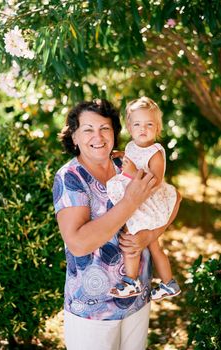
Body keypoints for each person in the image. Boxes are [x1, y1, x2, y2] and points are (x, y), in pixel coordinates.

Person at [52, 99, 181, 350]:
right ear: (74, 136)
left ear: (115, 133)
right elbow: (78, 244)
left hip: (137, 300)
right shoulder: (70, 177)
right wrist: (130, 202)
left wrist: (150, 235)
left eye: (105, 128)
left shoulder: (127, 164)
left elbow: (173, 200)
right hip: (93, 310)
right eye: (88, 129)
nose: (97, 136)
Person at [107, 96, 181, 301]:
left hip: (150, 201)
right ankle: (169, 283)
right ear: (129, 127)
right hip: (138, 196)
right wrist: (122, 154)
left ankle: (132, 281)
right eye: (137, 124)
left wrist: (131, 173)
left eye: (149, 124)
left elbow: (155, 181)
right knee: (154, 245)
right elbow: (133, 156)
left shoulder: (156, 152)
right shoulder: (132, 145)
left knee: (132, 235)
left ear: (157, 128)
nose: (143, 129)